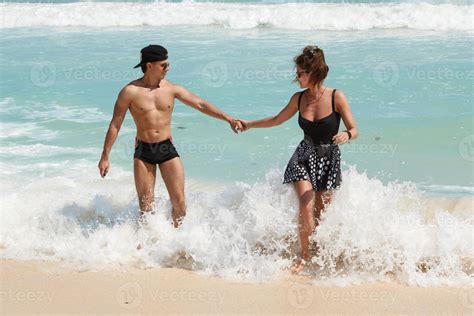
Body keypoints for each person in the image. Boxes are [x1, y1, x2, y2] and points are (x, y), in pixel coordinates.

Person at [237, 46, 358, 273]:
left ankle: (320, 253)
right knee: (305, 203)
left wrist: (347, 135)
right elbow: (277, 119)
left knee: (321, 212)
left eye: (301, 72)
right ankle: (304, 257)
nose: (297, 76)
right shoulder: (298, 98)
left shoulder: (336, 97)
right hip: (303, 156)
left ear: (314, 72)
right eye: (297, 72)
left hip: (328, 158)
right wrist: (249, 124)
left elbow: (354, 129)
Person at [98, 45, 243, 228]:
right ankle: (149, 246)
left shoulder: (171, 89)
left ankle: (172, 241)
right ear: (149, 65)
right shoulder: (130, 92)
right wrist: (105, 156)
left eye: (168, 65)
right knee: (146, 209)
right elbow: (115, 124)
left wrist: (228, 119)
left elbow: (200, 104)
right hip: (143, 152)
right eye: (163, 65)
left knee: (180, 204)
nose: (167, 69)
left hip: (166, 148)